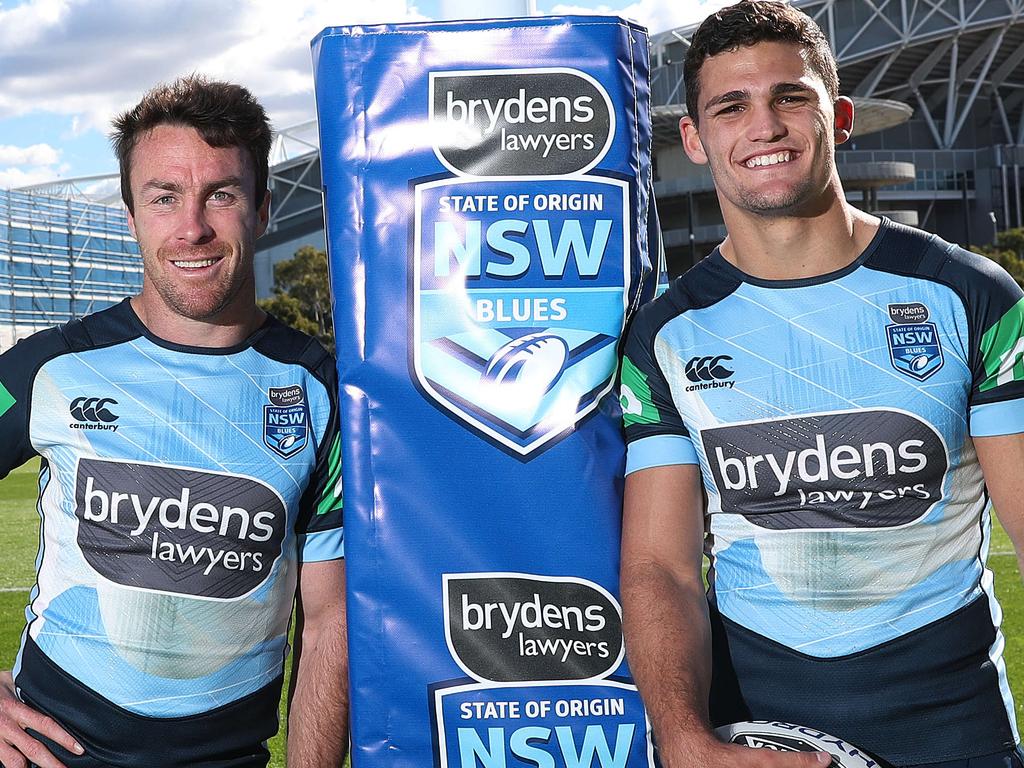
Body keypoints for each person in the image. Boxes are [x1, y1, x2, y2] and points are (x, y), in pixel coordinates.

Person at [618, 2, 1024, 767]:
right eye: (731, 107)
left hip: (956, 737)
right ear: (695, 141)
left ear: (836, 116)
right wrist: (681, 738)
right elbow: (661, 567)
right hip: (759, 736)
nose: (764, 127)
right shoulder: (667, 334)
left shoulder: (972, 296)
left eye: (789, 97)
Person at [0, 76, 347, 768]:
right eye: (164, 198)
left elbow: (330, 619)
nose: (192, 227)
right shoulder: (49, 368)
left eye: (221, 193)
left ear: (264, 210)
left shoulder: (320, 390)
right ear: (132, 216)